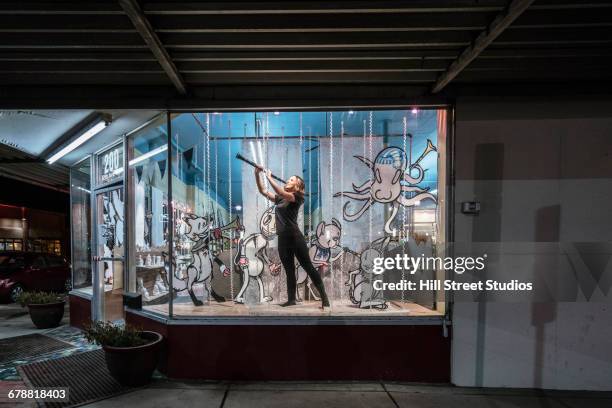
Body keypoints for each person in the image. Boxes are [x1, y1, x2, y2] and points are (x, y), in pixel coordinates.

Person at [254, 167, 330, 309]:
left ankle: (324, 298)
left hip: (295, 238)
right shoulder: (282, 198)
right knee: (289, 270)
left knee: (308, 267)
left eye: (292, 179)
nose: (288, 180)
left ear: (297, 186)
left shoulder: (298, 197)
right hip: (282, 239)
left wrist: (269, 177)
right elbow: (263, 191)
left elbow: (280, 191)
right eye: (289, 179)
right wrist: (257, 174)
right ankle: (291, 300)